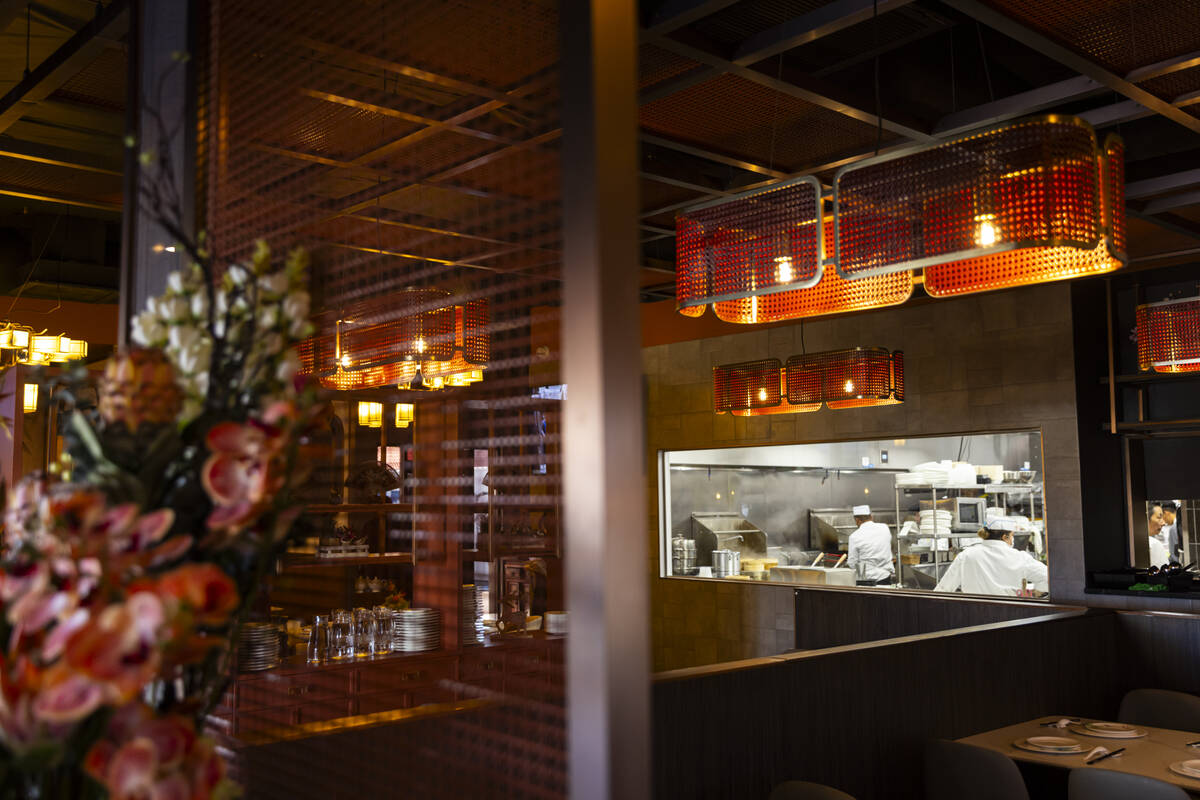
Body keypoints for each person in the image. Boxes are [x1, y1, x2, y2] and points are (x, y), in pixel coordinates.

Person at [934, 518, 1048, 596]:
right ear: (1005, 537)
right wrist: (1035, 591)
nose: (1013, 539)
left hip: (974, 618)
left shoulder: (966, 555)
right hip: (1010, 616)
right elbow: (1049, 578)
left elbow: (943, 590)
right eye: (1012, 535)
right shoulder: (1020, 558)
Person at [846, 504, 894, 587]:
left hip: (865, 582)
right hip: (885, 578)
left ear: (857, 520)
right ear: (871, 517)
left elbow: (852, 563)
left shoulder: (854, 536)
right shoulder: (884, 528)